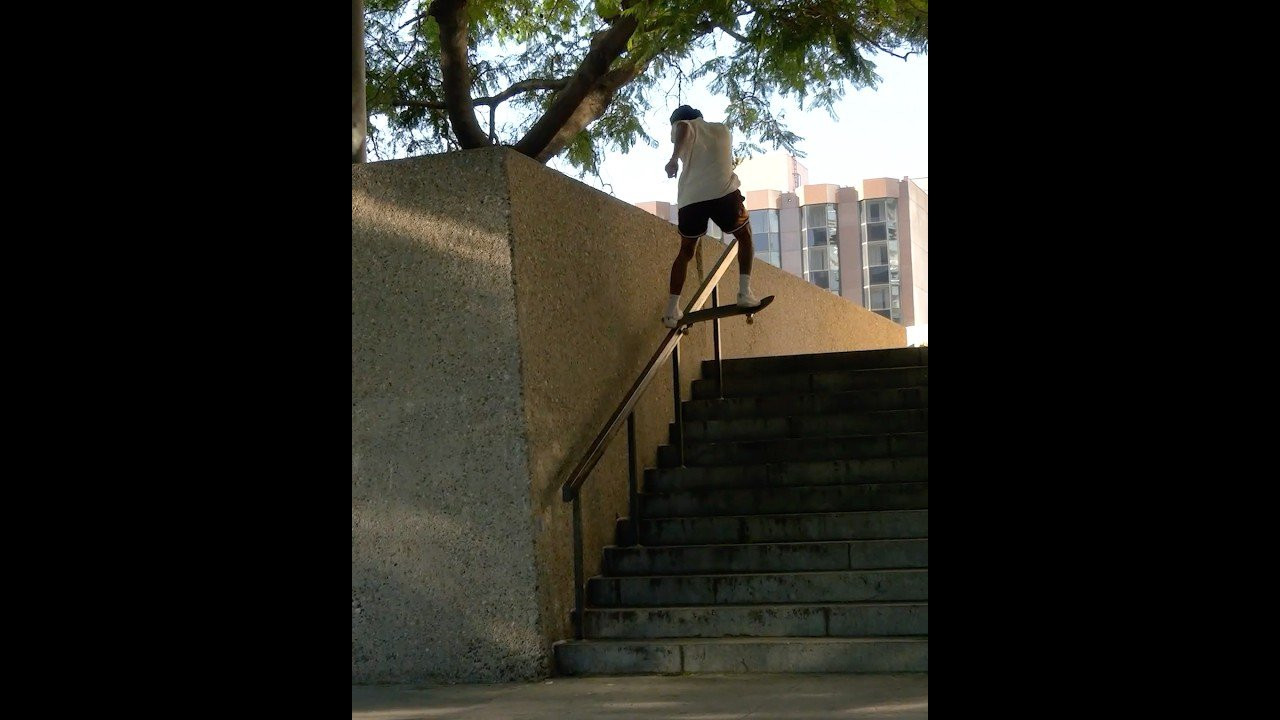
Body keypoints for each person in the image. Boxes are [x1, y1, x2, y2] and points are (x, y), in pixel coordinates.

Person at [661, 105, 759, 328]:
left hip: (691, 200)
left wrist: (674, 158)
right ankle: (745, 292)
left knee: (686, 252)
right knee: (744, 237)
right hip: (724, 194)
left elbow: (684, 128)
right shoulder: (722, 129)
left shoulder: (684, 126)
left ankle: (671, 310)